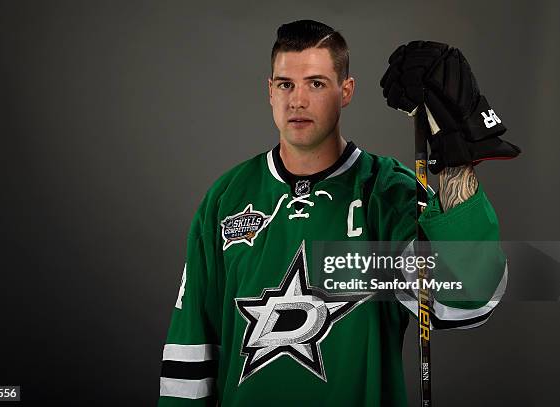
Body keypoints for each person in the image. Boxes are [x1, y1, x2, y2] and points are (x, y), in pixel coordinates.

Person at [158, 20, 517, 406]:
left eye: (316, 83)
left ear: (345, 91)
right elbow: (190, 348)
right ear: (270, 91)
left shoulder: (389, 193)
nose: (297, 100)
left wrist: (453, 161)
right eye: (285, 84)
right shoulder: (226, 197)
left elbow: (466, 302)